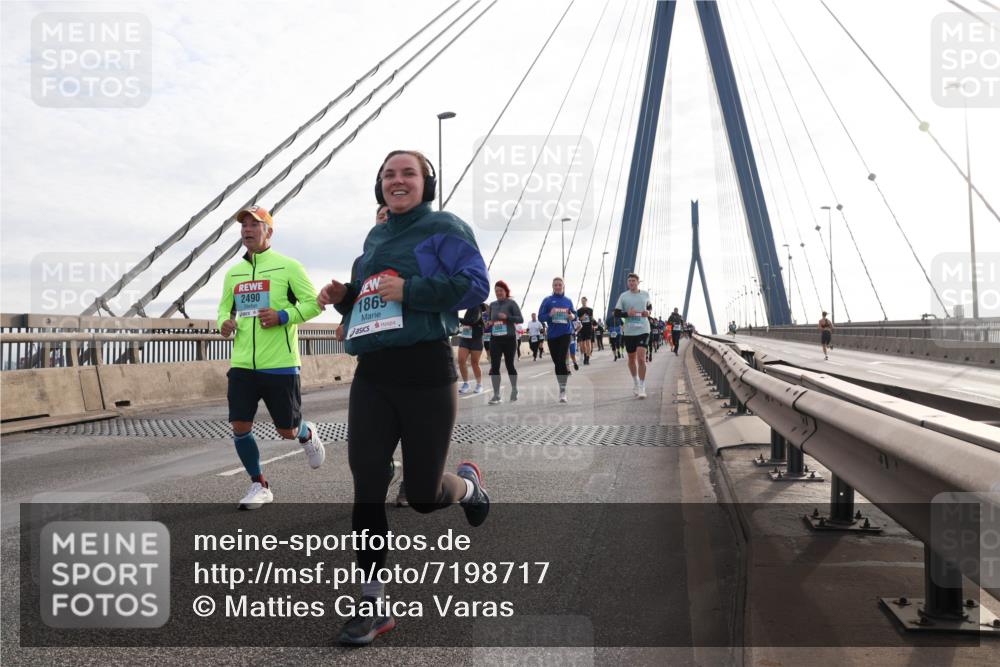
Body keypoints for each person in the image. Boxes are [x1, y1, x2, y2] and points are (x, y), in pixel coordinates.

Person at [318, 150, 491, 646]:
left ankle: (467, 488)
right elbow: (375, 295)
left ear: (425, 183)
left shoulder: (445, 227)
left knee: (421, 498)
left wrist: (410, 289)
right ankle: (373, 604)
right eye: (388, 174)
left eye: (407, 173)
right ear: (380, 186)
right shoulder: (374, 238)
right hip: (373, 375)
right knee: (367, 486)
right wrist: (345, 299)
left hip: (426, 373)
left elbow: (473, 285)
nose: (397, 180)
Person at [217, 205, 325, 510]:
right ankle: (259, 484)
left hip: (280, 363)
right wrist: (223, 323)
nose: (247, 230)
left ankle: (306, 432)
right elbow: (224, 309)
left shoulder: (288, 267)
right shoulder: (233, 273)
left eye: (254, 225)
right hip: (241, 363)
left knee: (286, 431)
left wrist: (282, 316)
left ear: (269, 231)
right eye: (243, 226)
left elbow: (314, 304)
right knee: (240, 426)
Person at [538, 277, 577, 403]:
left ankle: (562, 391)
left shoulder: (568, 301)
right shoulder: (548, 300)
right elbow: (540, 316)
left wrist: (571, 316)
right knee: (557, 363)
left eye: (560, 285)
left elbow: (574, 315)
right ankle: (562, 386)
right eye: (555, 285)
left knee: (561, 360)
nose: (558, 287)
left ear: (563, 286)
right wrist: (550, 314)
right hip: (552, 335)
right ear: (552, 286)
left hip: (565, 333)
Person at [614, 273, 652, 399]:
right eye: (629, 281)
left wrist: (648, 312)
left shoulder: (645, 294)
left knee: (641, 358)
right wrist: (627, 313)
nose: (631, 283)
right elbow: (617, 313)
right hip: (629, 331)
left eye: (633, 281)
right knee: (631, 359)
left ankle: (642, 386)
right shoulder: (623, 296)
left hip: (643, 329)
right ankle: (635, 381)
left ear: (638, 282)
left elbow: (649, 307)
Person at [486, 280, 523, 404]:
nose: (498, 293)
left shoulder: (511, 303)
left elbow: (520, 319)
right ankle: (496, 395)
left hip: (509, 339)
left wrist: (507, 317)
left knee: (509, 365)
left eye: (500, 291)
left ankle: (514, 389)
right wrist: (489, 323)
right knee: (494, 366)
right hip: (495, 339)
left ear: (505, 291)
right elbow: (491, 320)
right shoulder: (492, 305)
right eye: (496, 291)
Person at [457, 303, 487, 394]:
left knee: (474, 363)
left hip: (476, 339)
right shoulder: (469, 305)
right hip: (465, 337)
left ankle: (479, 384)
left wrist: (457, 318)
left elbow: (472, 320)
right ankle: (466, 384)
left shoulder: (477, 307)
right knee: (461, 360)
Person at [576, 297, 595, 365]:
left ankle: (587, 358)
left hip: (588, 327)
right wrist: (581, 318)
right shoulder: (579, 310)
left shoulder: (590, 310)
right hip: (582, 328)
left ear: (586, 301)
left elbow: (592, 318)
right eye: (582, 301)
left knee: (588, 342)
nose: (583, 302)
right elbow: (577, 320)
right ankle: (584, 355)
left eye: (584, 301)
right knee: (583, 345)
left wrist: (591, 319)